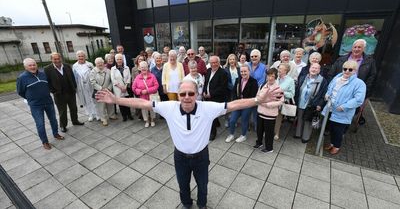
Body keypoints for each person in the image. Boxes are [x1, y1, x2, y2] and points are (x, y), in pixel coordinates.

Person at [95, 79, 283, 209]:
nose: (186, 96)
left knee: (203, 184)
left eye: (190, 93)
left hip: (201, 156)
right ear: (178, 94)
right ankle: (186, 203)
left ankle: (202, 204)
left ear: (197, 94)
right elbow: (142, 104)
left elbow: (234, 104)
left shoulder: (208, 108)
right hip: (180, 156)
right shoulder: (169, 107)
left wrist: (259, 100)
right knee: (182, 184)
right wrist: (117, 100)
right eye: (183, 93)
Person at [17, 58, 64, 150]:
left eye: (34, 64)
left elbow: (48, 86)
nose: (33, 67)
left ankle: (56, 134)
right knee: (40, 124)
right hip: (35, 105)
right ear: (25, 67)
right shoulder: (22, 78)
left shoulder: (43, 74)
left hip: (48, 102)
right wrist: (30, 98)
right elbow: (20, 92)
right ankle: (45, 142)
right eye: (30, 65)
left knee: (53, 120)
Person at [329, 39, 377, 125]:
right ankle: (329, 127)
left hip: (356, 91)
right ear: (352, 47)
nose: (356, 49)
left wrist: (365, 91)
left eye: (359, 47)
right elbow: (332, 73)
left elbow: (372, 77)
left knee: (350, 110)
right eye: (355, 47)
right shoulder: (342, 59)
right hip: (340, 89)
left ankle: (344, 128)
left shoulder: (369, 61)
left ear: (364, 48)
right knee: (333, 109)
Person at [323, 60, 366, 155]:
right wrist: (327, 94)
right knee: (332, 128)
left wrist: (344, 106)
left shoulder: (359, 83)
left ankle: (336, 146)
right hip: (331, 108)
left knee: (338, 130)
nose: (347, 71)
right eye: (345, 69)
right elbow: (330, 88)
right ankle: (332, 143)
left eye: (350, 69)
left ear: (355, 71)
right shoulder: (337, 77)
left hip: (342, 111)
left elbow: (358, 100)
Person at [44, 52, 84, 133]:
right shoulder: (47, 69)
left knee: (73, 108)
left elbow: (72, 77)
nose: (57, 60)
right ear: (51, 60)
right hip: (59, 94)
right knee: (62, 111)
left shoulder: (67, 66)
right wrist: (53, 91)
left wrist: (74, 87)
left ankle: (75, 121)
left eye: (58, 58)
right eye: (55, 59)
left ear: (60, 58)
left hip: (70, 92)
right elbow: (47, 82)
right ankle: (63, 125)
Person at [294, 63, 328, 143]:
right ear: (309, 68)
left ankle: (305, 137)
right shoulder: (303, 77)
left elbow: (323, 94)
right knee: (300, 118)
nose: (314, 69)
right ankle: (298, 133)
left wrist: (320, 104)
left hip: (312, 103)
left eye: (316, 68)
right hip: (301, 101)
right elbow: (298, 89)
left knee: (308, 120)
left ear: (319, 70)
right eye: (312, 67)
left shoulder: (322, 81)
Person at [225, 64, 258, 143]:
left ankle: (243, 135)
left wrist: (245, 103)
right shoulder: (238, 79)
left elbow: (253, 95)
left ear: (249, 71)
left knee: (244, 120)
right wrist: (235, 102)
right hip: (238, 104)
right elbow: (234, 92)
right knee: (232, 120)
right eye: (241, 71)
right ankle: (231, 134)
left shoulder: (253, 81)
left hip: (247, 104)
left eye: (245, 71)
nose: (243, 73)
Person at [254, 68, 284, 152]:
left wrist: (267, 104)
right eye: (268, 75)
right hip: (260, 112)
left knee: (269, 133)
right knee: (259, 130)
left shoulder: (278, 89)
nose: (270, 78)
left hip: (270, 115)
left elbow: (281, 101)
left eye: (272, 76)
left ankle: (269, 148)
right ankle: (259, 143)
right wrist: (258, 100)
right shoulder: (263, 85)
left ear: (276, 77)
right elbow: (257, 95)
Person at [203, 56, 229, 140]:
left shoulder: (223, 73)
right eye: (212, 63)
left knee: (211, 115)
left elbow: (222, 88)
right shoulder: (208, 71)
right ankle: (217, 122)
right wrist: (204, 91)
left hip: (217, 97)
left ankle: (213, 133)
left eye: (215, 62)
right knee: (211, 114)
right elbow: (205, 83)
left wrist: (211, 94)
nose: (213, 64)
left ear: (219, 63)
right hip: (207, 96)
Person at [73, 50, 97, 121]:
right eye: (79, 56)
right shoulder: (75, 66)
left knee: (93, 99)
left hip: (90, 85)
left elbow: (94, 74)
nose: (81, 57)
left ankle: (97, 114)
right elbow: (74, 77)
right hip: (81, 86)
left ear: (85, 56)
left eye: (82, 56)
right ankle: (90, 114)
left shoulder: (90, 64)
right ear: (77, 57)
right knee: (86, 100)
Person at [132, 61, 159, 127]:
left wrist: (147, 90)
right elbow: (133, 88)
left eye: (145, 67)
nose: (143, 69)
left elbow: (156, 86)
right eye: (142, 67)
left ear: (148, 68)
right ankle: (146, 121)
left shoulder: (152, 76)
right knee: (144, 109)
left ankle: (152, 120)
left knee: (152, 108)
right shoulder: (137, 77)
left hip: (151, 96)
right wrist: (140, 91)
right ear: (139, 68)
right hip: (142, 97)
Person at [90, 57, 114, 126]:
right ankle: (103, 119)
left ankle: (111, 115)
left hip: (108, 90)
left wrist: (109, 88)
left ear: (103, 63)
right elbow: (92, 82)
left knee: (110, 103)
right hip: (99, 91)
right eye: (98, 63)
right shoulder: (93, 72)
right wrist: (101, 88)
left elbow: (112, 81)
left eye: (101, 62)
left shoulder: (108, 70)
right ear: (95, 64)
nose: (100, 64)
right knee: (101, 106)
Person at [274, 63, 295, 140]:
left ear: (286, 70)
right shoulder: (275, 77)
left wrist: (282, 92)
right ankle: (267, 131)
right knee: (270, 117)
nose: (278, 70)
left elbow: (292, 94)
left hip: (281, 102)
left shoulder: (290, 80)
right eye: (278, 68)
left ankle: (277, 133)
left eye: (280, 68)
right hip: (272, 100)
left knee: (278, 119)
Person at [248, 49, 267, 130]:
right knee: (247, 109)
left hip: (257, 92)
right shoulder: (247, 65)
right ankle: (247, 125)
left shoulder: (263, 67)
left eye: (255, 56)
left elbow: (262, 81)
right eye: (252, 56)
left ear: (259, 57)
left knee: (256, 110)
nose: (253, 58)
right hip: (247, 91)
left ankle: (257, 126)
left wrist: (256, 91)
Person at [111, 53, 133, 121]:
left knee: (127, 102)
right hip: (118, 88)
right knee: (120, 102)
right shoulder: (113, 69)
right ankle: (124, 116)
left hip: (126, 88)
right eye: (118, 59)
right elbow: (113, 79)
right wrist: (120, 87)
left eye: (120, 59)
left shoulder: (127, 67)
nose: (119, 60)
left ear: (122, 60)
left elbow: (129, 77)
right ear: (115, 60)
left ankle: (129, 115)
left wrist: (125, 86)